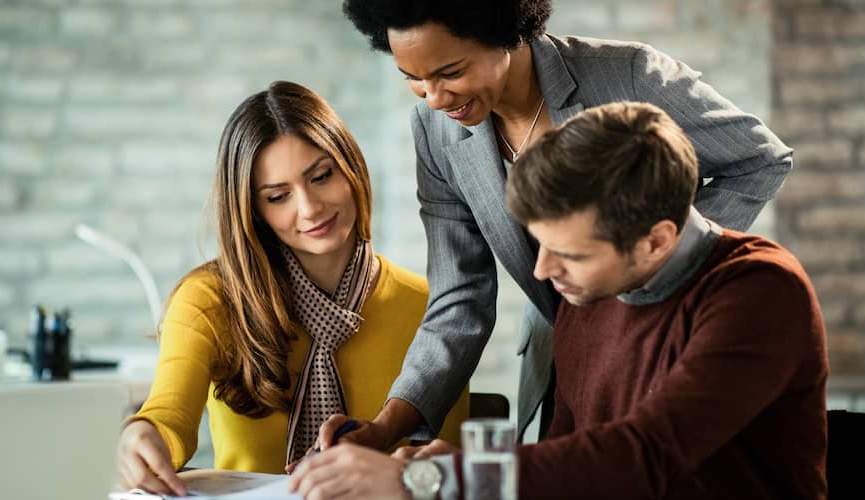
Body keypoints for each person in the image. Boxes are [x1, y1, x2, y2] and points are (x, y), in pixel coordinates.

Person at [315, 0, 796, 453]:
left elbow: (760, 159)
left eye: (451, 72)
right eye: (413, 78)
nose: (435, 97)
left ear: (504, 33)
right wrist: (385, 428)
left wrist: (648, 263)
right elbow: (459, 298)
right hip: (570, 363)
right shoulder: (435, 131)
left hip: (664, 338)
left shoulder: (627, 75)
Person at [290, 101, 827, 500]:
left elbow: (645, 458)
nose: (543, 272)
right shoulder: (590, 290)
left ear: (656, 240)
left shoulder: (760, 291)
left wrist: (425, 481)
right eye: (540, 244)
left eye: (568, 253)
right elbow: (564, 465)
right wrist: (456, 466)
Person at [115, 81, 468, 495]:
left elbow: (447, 467)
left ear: (351, 167)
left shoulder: (431, 307)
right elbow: (168, 418)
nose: (309, 208)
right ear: (254, 211)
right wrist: (142, 435)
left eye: (321, 176)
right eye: (278, 196)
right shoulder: (209, 300)